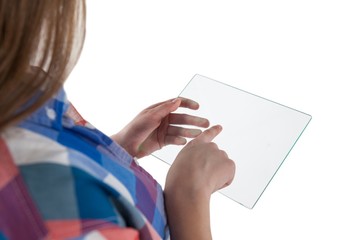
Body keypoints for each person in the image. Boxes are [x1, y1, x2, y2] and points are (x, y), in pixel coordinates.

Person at [0, 1, 235, 239]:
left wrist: (116, 148)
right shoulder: (39, 215)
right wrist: (190, 193)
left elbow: (49, 159)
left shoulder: (18, 91)